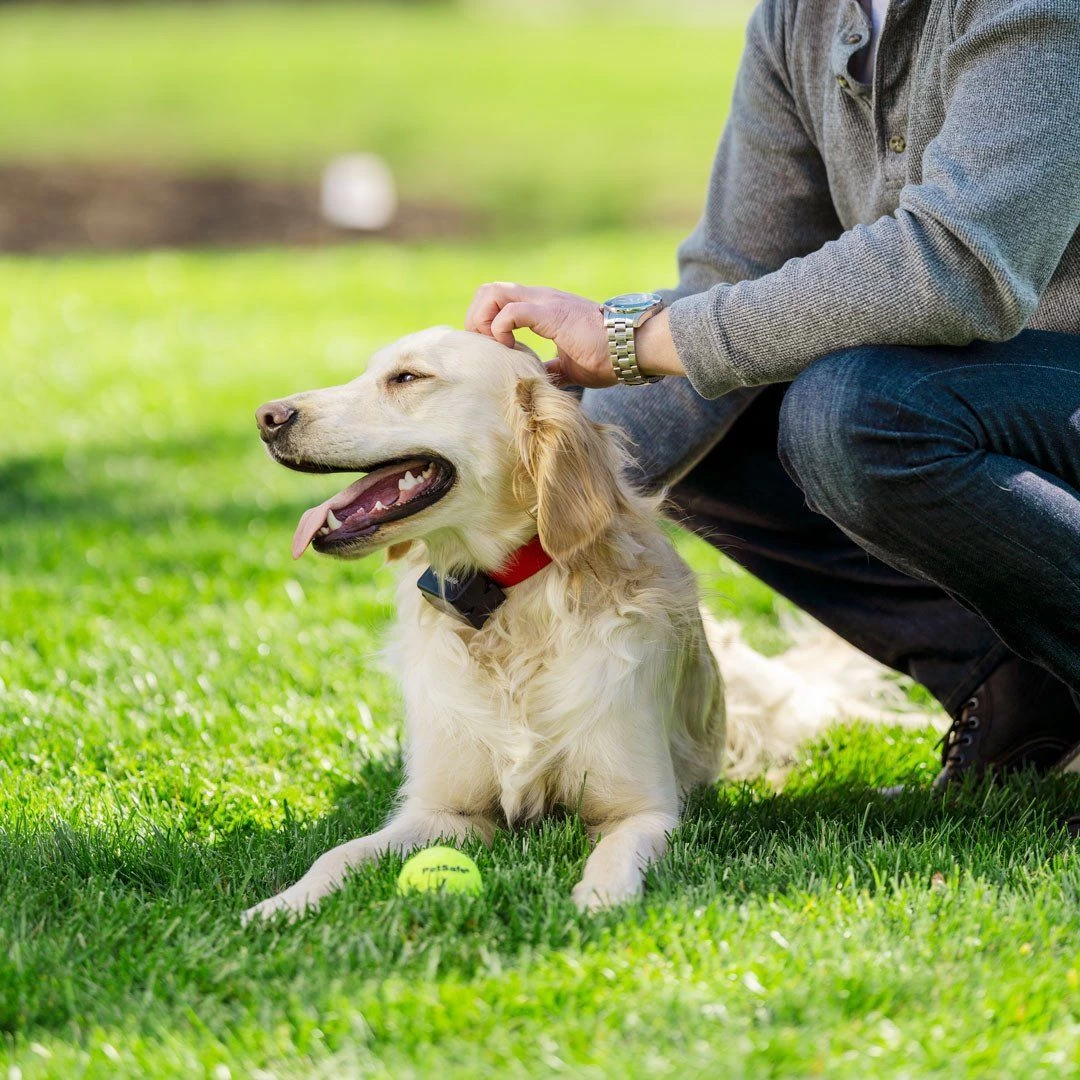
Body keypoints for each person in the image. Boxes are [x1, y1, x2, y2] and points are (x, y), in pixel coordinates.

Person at [464, 0, 1080, 790]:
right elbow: (736, 276)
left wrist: (636, 341)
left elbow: (957, 267)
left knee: (856, 412)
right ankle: (1019, 688)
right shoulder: (800, 15)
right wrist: (511, 539)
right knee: (687, 406)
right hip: (974, 390)